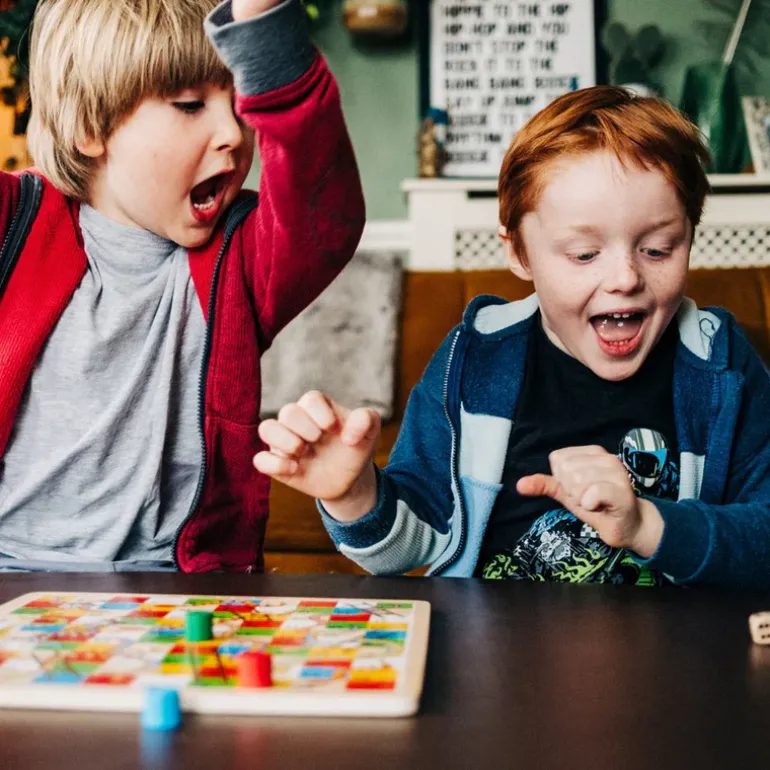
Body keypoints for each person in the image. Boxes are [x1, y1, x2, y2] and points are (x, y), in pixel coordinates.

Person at [255, 86, 770, 589]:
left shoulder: (722, 365)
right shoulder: (473, 358)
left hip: (669, 642)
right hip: (493, 641)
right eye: (584, 254)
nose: (625, 278)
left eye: (657, 249)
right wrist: (353, 493)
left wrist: (646, 525)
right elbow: (411, 546)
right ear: (520, 253)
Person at [0, 0, 365, 573]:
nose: (232, 134)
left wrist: (265, 27)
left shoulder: (239, 256)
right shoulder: (14, 223)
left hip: (181, 588)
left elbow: (324, 212)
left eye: (238, 106)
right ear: (90, 127)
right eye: (191, 105)